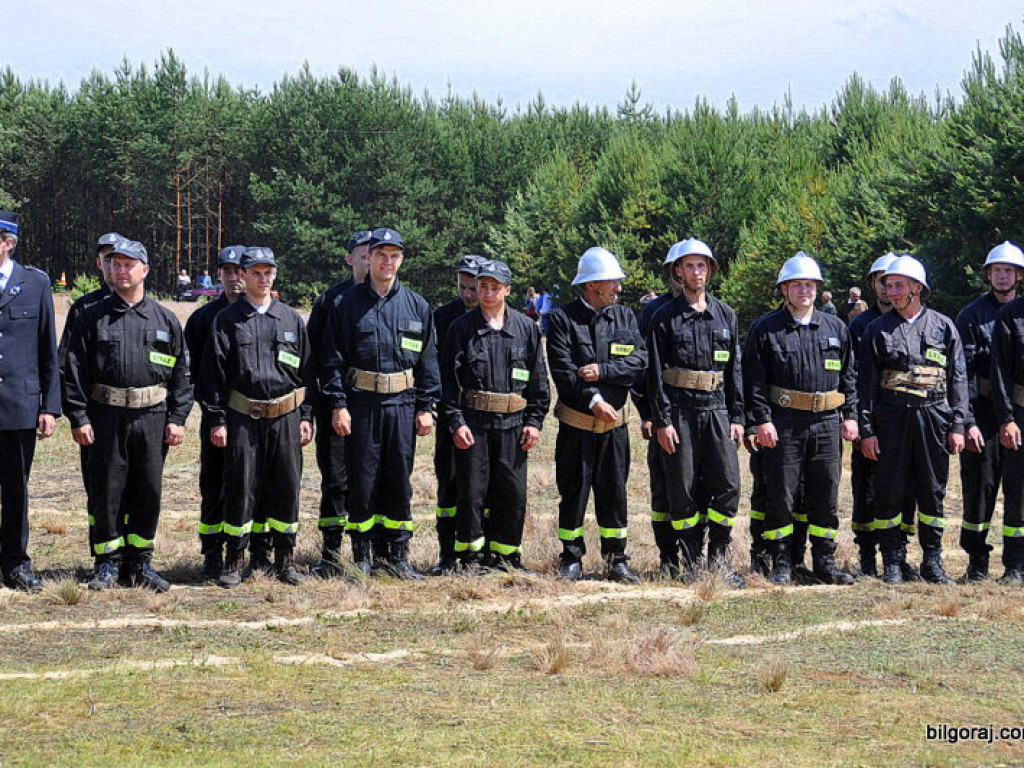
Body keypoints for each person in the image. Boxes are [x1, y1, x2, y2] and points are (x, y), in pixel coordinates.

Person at [63, 239, 192, 592]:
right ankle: (107, 562)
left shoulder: (165, 319)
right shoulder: (92, 317)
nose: (122, 271)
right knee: (107, 490)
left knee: (147, 489)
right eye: (116, 265)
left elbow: (181, 374)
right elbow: (73, 371)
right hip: (106, 416)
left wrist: (177, 419)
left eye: (129, 265)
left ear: (145, 270)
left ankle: (141, 562)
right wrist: (79, 417)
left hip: (152, 417)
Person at [322, 228, 440, 578]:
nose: (387, 262)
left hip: (403, 405)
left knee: (398, 480)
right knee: (362, 480)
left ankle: (398, 557)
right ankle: (362, 556)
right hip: (361, 404)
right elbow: (332, 360)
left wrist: (426, 407)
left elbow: (428, 361)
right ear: (368, 258)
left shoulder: (417, 306)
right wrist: (337, 404)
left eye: (394, 256)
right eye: (381, 255)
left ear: (401, 261)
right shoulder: (346, 305)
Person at [742, 252, 858, 586]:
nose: (803, 291)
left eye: (809, 285)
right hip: (784, 423)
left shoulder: (835, 327)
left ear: (817, 288)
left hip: (827, 423)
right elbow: (754, 380)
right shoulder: (766, 328)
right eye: (796, 285)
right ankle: (782, 561)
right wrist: (761, 420)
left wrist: (850, 416)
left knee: (825, 493)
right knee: (782, 494)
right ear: (784, 289)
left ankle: (824, 561)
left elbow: (849, 375)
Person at [202, 247, 314, 588]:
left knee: (286, 487)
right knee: (241, 487)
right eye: (255, 273)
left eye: (268, 272)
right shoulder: (226, 320)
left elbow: (307, 372)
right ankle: (234, 560)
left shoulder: (292, 319)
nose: (262, 279)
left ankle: (285, 559)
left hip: (285, 417)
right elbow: (213, 376)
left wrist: (306, 416)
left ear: (274, 275)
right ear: (244, 276)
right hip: (243, 417)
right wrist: (218, 420)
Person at [859, 255, 967, 584]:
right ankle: (892, 560)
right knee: (890, 489)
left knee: (932, 490)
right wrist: (867, 429)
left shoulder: (943, 326)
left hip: (934, 417)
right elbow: (865, 384)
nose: (891, 291)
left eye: (898, 285)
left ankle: (932, 562)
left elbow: (958, 378)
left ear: (917, 288)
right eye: (888, 285)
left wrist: (959, 424)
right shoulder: (876, 330)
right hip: (891, 419)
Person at [440, 259, 550, 571]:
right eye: (482, 287)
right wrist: (455, 422)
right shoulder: (461, 329)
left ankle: (507, 556)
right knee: (472, 493)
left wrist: (534, 421)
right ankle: (470, 557)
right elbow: (449, 382)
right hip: (474, 424)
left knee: (512, 493)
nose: (487, 293)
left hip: (513, 426)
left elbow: (539, 381)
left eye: (494, 288)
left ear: (507, 290)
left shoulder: (526, 329)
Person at [647, 238, 745, 587]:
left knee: (728, 485)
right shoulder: (663, 318)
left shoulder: (726, 315)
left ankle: (718, 560)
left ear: (711, 270)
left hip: (718, 411)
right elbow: (654, 374)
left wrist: (738, 417)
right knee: (683, 489)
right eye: (689, 266)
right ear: (678, 272)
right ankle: (690, 561)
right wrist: (662, 421)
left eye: (702, 265)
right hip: (681, 412)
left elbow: (735, 371)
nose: (697, 272)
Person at [547, 247, 647, 583]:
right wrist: (593, 400)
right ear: (591, 286)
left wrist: (603, 371)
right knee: (574, 491)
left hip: (615, 427)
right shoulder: (562, 319)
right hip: (577, 425)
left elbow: (639, 362)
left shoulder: (626, 317)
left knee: (614, 492)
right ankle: (571, 556)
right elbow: (564, 371)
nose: (619, 287)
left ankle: (616, 558)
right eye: (612, 282)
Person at [305, 230, 372, 578]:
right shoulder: (331, 301)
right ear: (350, 259)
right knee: (335, 479)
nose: (369, 259)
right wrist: (316, 408)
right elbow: (313, 358)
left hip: (374, 407)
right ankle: (331, 554)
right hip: (336, 404)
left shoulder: (389, 299)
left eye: (373, 254)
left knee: (373, 480)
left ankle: (372, 552)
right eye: (362, 254)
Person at [0, 211, 60, 591]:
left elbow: (47, 349)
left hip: (18, 405)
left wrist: (49, 407)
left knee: (16, 489)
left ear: (8, 243)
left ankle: (15, 562)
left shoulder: (35, 283)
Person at [957, 242, 1024, 581]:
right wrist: (967, 421)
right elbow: (964, 374)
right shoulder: (971, 315)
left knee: (1018, 490)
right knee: (980, 487)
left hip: (1015, 411)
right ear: (988, 275)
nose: (1002, 275)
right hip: (982, 412)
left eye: (1008, 270)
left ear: (1018, 276)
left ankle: (1016, 564)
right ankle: (976, 561)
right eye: (996, 270)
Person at [183, 244, 246, 580]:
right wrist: (210, 409)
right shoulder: (203, 318)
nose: (234, 278)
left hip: (255, 416)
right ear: (219, 274)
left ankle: (256, 554)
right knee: (214, 485)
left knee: (253, 485)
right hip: (216, 416)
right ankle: (212, 554)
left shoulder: (263, 313)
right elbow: (188, 369)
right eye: (227, 271)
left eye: (239, 271)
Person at [847, 252, 906, 578]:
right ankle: (867, 555)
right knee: (867, 488)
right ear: (873, 284)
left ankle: (899, 554)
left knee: (903, 488)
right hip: (870, 417)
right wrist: (859, 420)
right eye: (881, 279)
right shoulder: (859, 325)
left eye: (893, 280)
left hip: (902, 419)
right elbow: (853, 376)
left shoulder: (913, 321)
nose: (887, 286)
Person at [430, 254, 484, 575]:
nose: (467, 295)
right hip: (450, 412)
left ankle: (480, 553)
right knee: (449, 485)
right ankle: (447, 555)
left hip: (485, 417)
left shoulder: (495, 317)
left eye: (473, 288)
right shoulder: (441, 318)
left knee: (480, 488)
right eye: (462, 287)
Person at [991, 255, 1024, 585]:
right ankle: (1015, 564)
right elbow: (999, 373)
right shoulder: (1010, 315)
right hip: (1021, 416)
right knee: (1018, 493)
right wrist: (1007, 419)